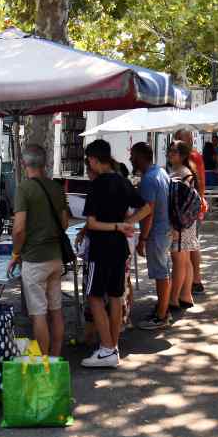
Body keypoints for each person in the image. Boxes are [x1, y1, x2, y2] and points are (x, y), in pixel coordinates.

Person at [79, 140, 145, 367]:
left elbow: (92, 223)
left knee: (95, 297)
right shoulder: (123, 181)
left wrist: (118, 225)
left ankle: (107, 348)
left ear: (95, 161)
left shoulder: (96, 185)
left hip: (101, 248)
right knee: (116, 296)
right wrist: (128, 222)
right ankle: (113, 346)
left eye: (89, 161)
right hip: (119, 247)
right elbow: (148, 206)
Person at [7, 145, 69, 356]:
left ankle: (44, 362)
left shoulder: (24, 189)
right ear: (45, 163)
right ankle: (56, 357)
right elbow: (65, 223)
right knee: (56, 309)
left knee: (39, 314)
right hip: (55, 257)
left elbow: (19, 229)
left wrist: (16, 254)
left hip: (34, 259)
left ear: (24, 164)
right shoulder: (56, 187)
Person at [131, 142, 173, 330]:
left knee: (160, 273)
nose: (131, 159)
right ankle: (162, 310)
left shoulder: (149, 178)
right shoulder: (161, 172)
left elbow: (149, 211)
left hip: (156, 232)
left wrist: (143, 239)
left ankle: (162, 315)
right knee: (163, 272)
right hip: (165, 229)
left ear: (140, 157)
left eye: (132, 155)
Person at [174, 129, 207, 295]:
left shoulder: (191, 158)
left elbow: (196, 184)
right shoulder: (194, 157)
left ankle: (195, 281)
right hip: (194, 206)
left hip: (189, 209)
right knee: (191, 245)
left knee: (190, 246)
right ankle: (192, 282)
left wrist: (199, 202)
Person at [167, 141, 199, 312]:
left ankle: (173, 298)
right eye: (170, 151)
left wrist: (175, 225)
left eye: (174, 151)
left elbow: (179, 204)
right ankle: (185, 295)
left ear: (182, 155)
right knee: (184, 260)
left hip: (180, 223)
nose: (170, 154)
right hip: (185, 222)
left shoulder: (183, 174)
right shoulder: (183, 172)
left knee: (179, 260)